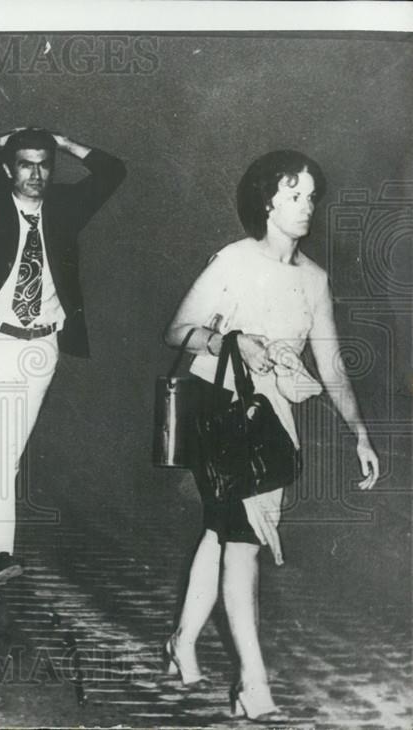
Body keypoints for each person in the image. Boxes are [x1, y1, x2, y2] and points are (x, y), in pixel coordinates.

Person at [162, 150, 380, 721]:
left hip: (271, 423)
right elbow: (178, 332)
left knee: (223, 529)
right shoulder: (234, 261)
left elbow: (331, 367)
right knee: (242, 539)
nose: (306, 205)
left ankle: (182, 642)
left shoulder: (313, 280)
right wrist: (232, 342)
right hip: (221, 411)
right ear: (267, 200)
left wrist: (359, 432)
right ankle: (251, 682)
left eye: (310, 195)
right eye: (293, 195)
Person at [0, 128, 126, 585]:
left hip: (43, 344)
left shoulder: (64, 208)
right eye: (26, 163)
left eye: (44, 164)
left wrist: (64, 142)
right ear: (7, 168)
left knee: (11, 449)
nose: (37, 174)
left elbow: (113, 170)